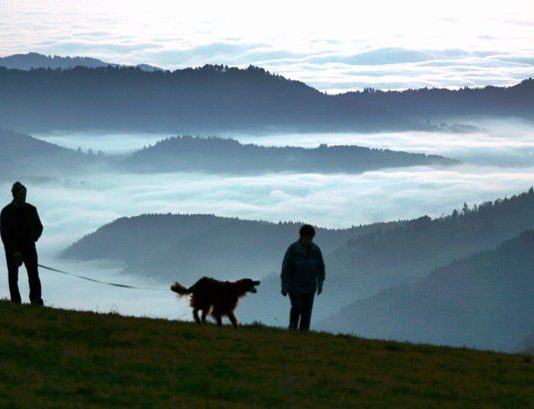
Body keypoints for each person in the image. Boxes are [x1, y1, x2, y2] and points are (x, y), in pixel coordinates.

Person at [1, 182, 44, 305]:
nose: (23, 196)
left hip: (29, 248)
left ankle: (36, 299)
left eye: (24, 194)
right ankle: (16, 301)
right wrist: (14, 251)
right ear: (14, 195)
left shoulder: (31, 209)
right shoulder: (6, 212)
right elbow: (5, 234)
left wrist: (32, 238)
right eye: (21, 194)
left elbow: (39, 227)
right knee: (13, 276)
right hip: (12, 250)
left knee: (33, 273)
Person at [281, 224, 325, 330]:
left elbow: (320, 268)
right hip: (294, 286)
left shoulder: (316, 250)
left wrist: (320, 284)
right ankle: (293, 328)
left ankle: (304, 332)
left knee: (307, 311)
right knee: (297, 307)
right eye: (306, 238)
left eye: (310, 239)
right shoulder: (293, 249)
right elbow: (286, 268)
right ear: (301, 237)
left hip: (310, 287)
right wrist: (285, 286)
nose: (308, 241)